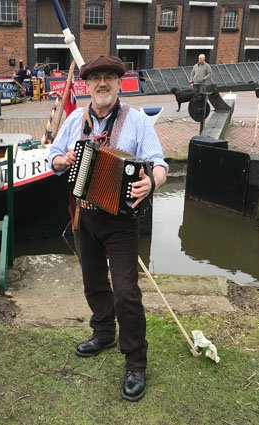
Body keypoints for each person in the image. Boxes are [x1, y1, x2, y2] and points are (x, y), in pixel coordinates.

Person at [48, 55, 168, 402]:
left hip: (120, 222)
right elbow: (52, 157)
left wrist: (152, 184)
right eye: (96, 78)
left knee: (127, 292)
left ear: (119, 83)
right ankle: (103, 332)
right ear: (87, 85)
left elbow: (158, 163)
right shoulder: (75, 119)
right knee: (93, 282)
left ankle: (135, 362)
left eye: (109, 78)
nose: (102, 83)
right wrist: (63, 160)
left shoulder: (137, 121)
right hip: (84, 216)